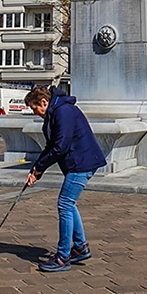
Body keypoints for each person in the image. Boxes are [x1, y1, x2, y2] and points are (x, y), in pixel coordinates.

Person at [24, 86, 106, 272]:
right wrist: (36, 170)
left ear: (43, 102)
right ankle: (80, 248)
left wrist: (39, 167)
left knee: (64, 204)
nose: (34, 113)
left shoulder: (63, 111)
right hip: (78, 162)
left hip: (81, 163)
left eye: (34, 108)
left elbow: (60, 146)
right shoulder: (56, 111)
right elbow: (51, 145)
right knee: (69, 203)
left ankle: (62, 257)